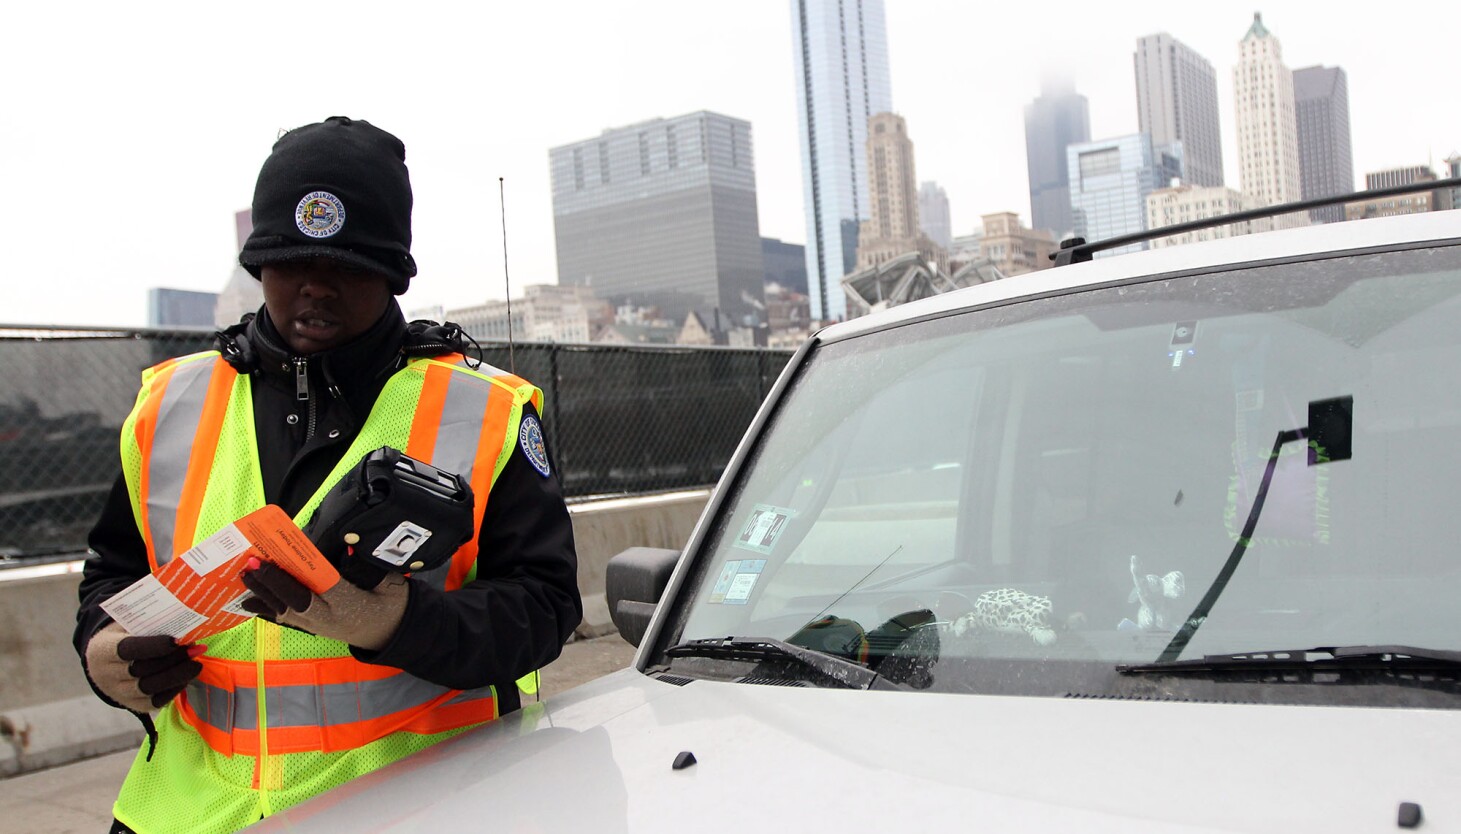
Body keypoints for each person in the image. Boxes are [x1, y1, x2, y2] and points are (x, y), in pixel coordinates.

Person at [73, 116, 582, 834]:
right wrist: (100, 649)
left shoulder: (488, 410)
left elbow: (545, 609)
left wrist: (393, 623)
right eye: (289, 263)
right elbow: (112, 573)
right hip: (186, 812)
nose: (315, 288)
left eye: (347, 267)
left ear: (392, 274)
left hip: (417, 806)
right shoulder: (168, 402)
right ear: (259, 265)